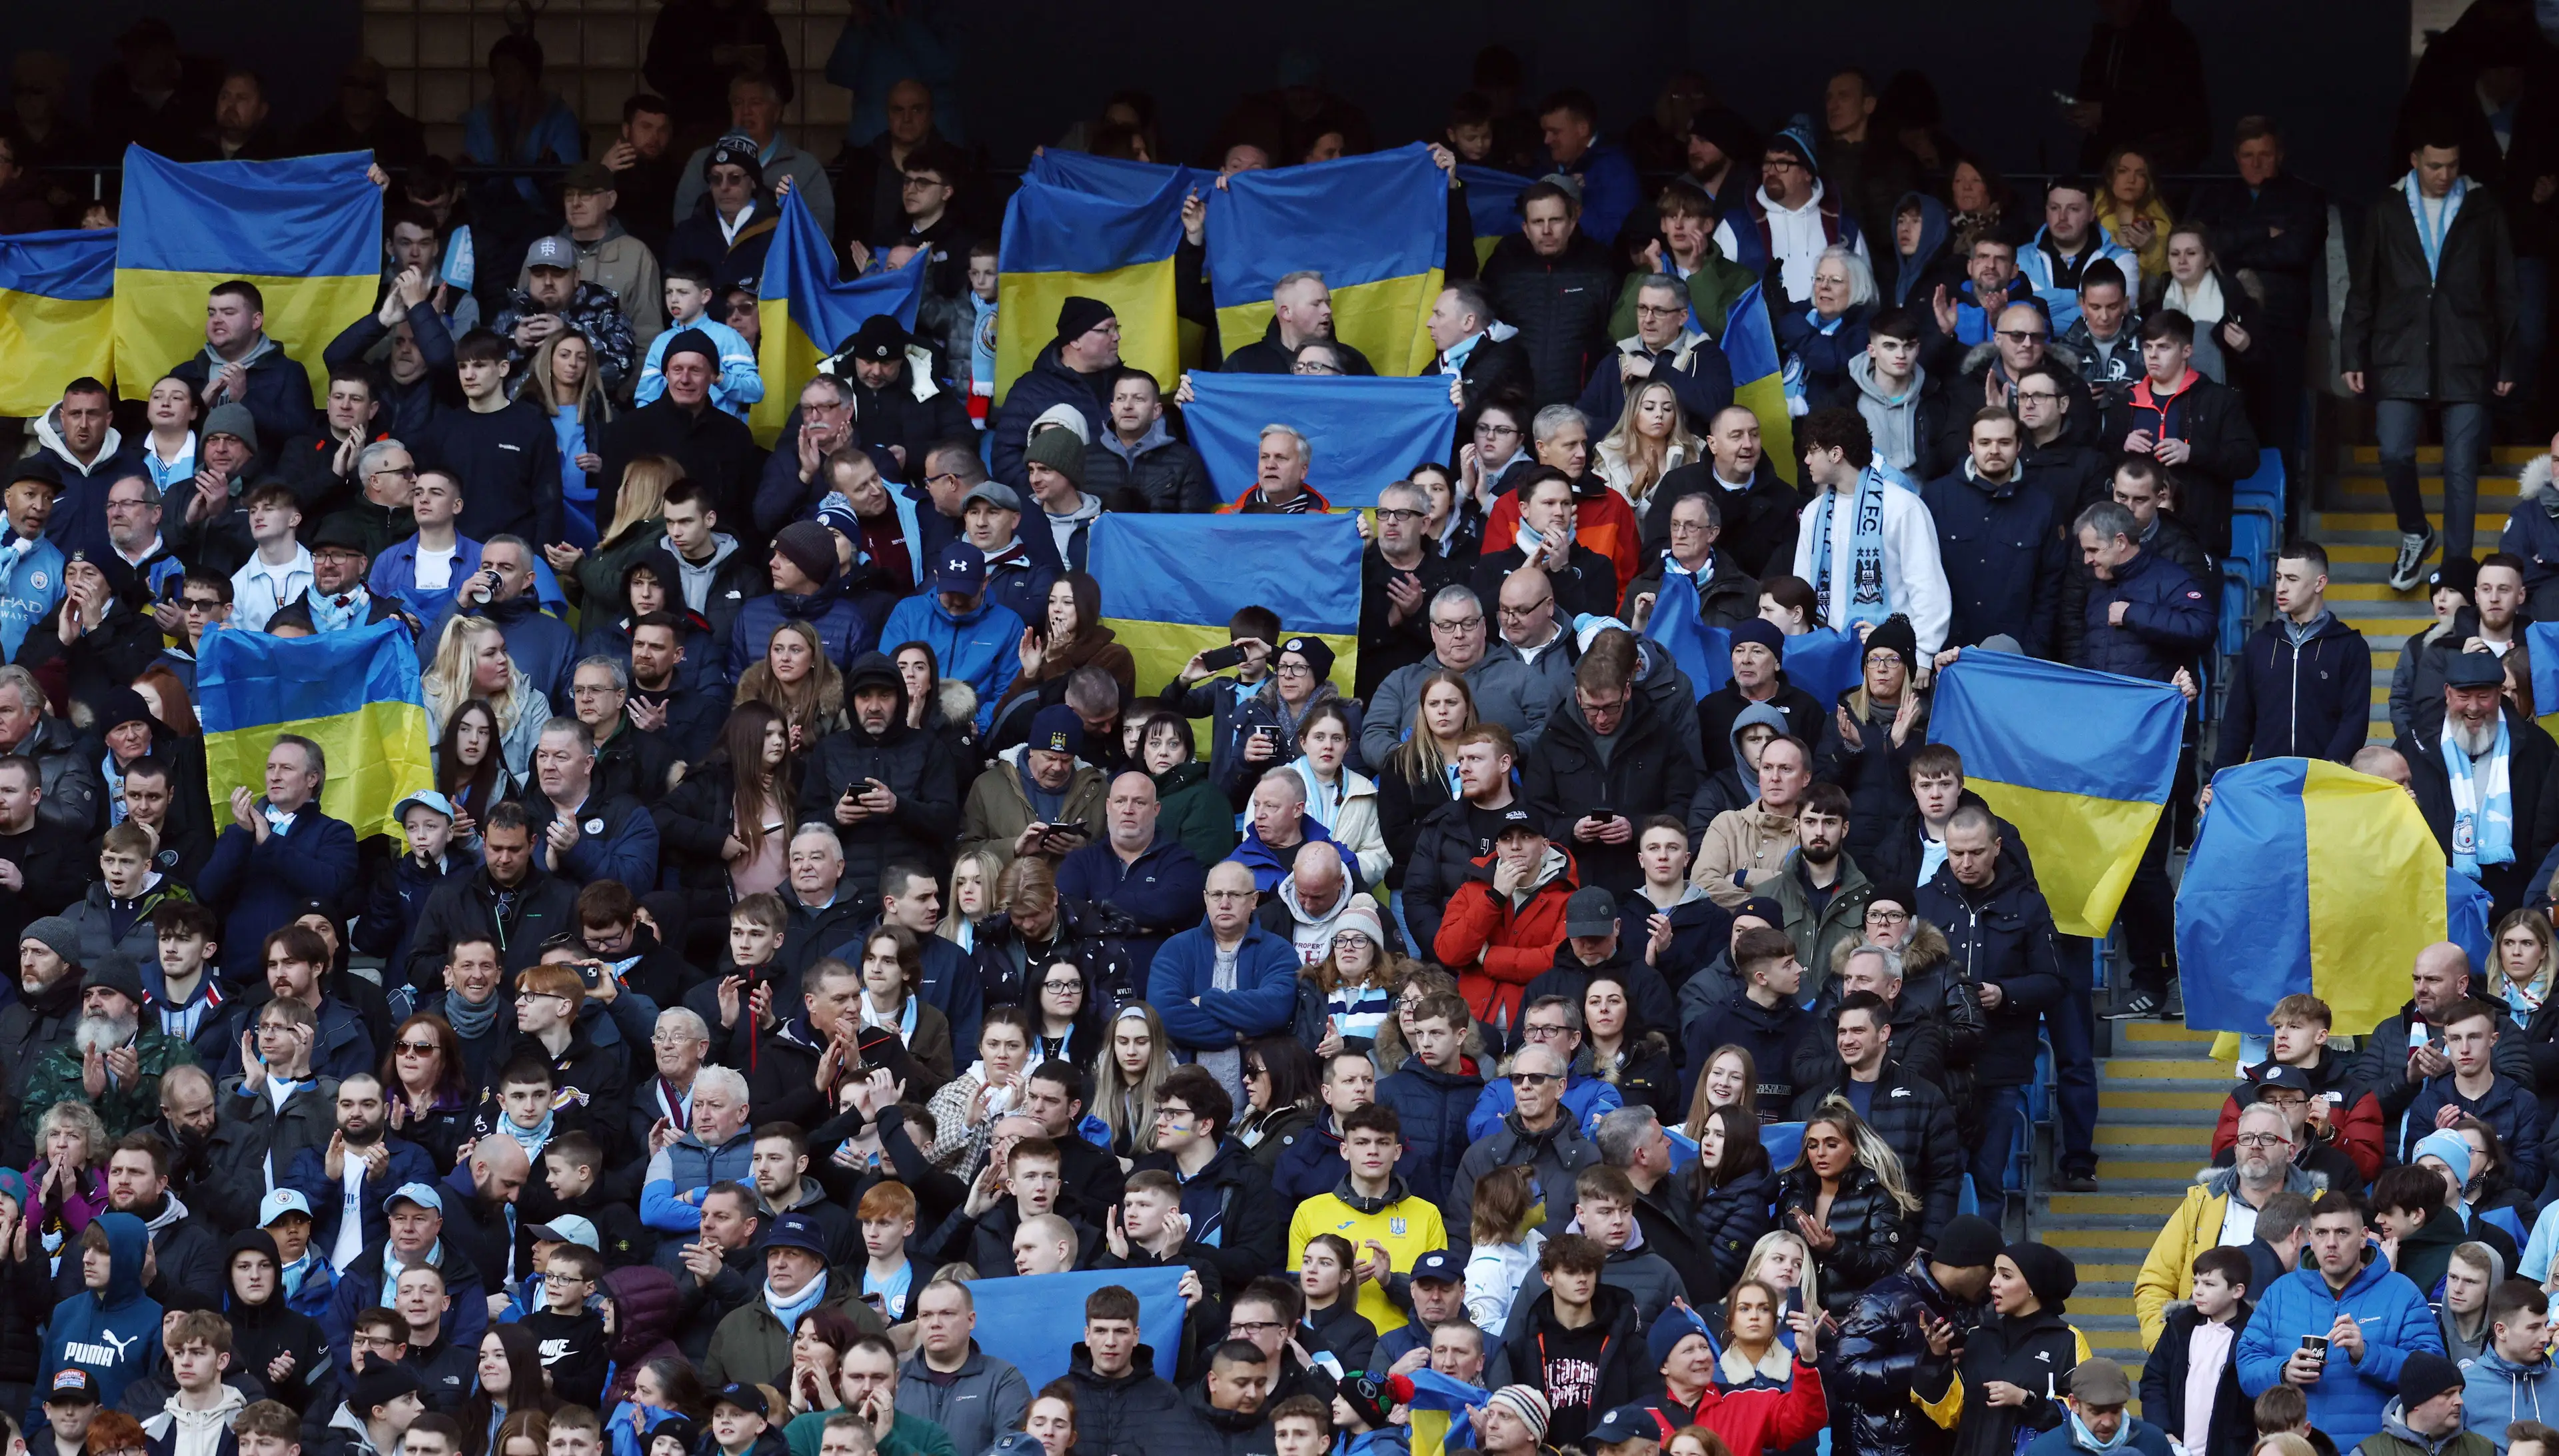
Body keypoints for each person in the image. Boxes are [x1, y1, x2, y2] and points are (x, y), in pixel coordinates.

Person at [2344, 119, 2521, 590]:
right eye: (2435, 165)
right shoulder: (2386, 207)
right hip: (2398, 347)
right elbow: (2364, 287)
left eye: (2453, 165)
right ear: (2415, 161)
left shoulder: (2484, 207)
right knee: (2395, 450)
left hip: (2468, 349)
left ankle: (2459, 574)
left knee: (2462, 465)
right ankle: (2417, 531)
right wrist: (2352, 354)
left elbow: (2506, 289)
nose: (2444, 174)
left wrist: (2507, 360)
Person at [2235, 1193, 2444, 1451]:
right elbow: (2246, 1366)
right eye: (2322, 1233)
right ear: (2310, 1238)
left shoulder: (2401, 1292)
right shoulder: (2279, 1293)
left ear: (2363, 1236)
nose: (2331, 1243)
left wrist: (2366, 1353)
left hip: (2374, 1449)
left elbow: (2432, 1373)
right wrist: (2284, 1371)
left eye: (2343, 1232)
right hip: (2296, 1449)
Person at [2398, 653, 2559, 920]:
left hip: (2516, 906)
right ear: (2447, 693)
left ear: (2499, 695)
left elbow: (2548, 829)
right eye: (2464, 696)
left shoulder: (2536, 748)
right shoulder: (2414, 746)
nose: (2473, 708)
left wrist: (2536, 900)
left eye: (2483, 696)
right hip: (2434, 902)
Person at [2208, 543, 2372, 786]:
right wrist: (2218, 781)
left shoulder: (2350, 647)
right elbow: (2237, 723)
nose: (2281, 588)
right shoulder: (2260, 644)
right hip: (2266, 784)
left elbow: (2354, 724)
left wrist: (2322, 775)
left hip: (2324, 786)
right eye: (2278, 577)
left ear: (2320, 583)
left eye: (2292, 579)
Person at [1791, 408, 1951, 656]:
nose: (1807, 461)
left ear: (1836, 454)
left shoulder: (1903, 506)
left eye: (1812, 451)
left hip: (1890, 657)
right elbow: (1800, 587)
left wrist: (1923, 654)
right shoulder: (1813, 513)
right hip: (1826, 654)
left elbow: (1927, 588)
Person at [1923, 409, 2065, 653]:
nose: (1994, 450)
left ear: (2020, 446)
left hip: (2017, 653)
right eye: (1985, 442)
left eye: (2005, 442)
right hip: (1947, 652)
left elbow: (2050, 586)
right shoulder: (1937, 497)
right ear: (1971, 446)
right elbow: (1920, 577)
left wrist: (2034, 647)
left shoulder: (2042, 505)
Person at [1482, 179, 1619, 409]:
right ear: (1525, 228)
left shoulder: (1599, 265)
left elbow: (1613, 342)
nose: (1547, 230)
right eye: (1538, 222)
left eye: (1555, 220)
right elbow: (1483, 334)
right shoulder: (1505, 263)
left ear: (1572, 223)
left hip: (1578, 412)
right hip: (1512, 411)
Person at [1714, 125, 1868, 303]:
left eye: (1782, 164)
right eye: (1767, 163)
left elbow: (1864, 296)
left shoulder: (1845, 228)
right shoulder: (1736, 226)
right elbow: (1716, 297)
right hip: (1760, 330)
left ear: (1807, 173)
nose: (1771, 171)